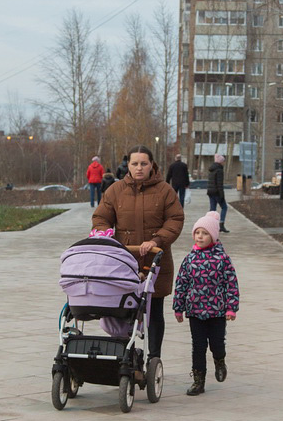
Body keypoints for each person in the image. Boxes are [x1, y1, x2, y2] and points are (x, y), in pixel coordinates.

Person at [92, 145, 184, 360]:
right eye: (135, 164)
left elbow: (175, 219)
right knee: (122, 309)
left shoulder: (164, 190)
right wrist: (106, 237)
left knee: (154, 311)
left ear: (152, 164)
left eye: (144, 163)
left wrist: (156, 240)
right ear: (128, 165)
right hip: (124, 261)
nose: (139, 168)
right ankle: (124, 354)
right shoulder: (115, 191)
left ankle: (154, 357)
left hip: (155, 260)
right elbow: (101, 217)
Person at [173, 211, 239, 396]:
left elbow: (231, 284)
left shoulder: (222, 259)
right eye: (197, 232)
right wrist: (178, 307)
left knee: (216, 343)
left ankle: (219, 360)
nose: (200, 236)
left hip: (217, 311)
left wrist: (231, 307)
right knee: (198, 346)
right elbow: (181, 283)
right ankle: (198, 380)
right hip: (195, 311)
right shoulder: (190, 259)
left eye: (204, 233)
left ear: (213, 236)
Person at [207, 154, 229, 233]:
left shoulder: (211, 169)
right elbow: (219, 184)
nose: (224, 163)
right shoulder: (219, 170)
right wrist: (222, 195)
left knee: (212, 209)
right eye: (223, 161)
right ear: (221, 162)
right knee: (224, 207)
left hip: (210, 192)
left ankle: (210, 225)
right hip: (217, 192)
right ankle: (221, 224)